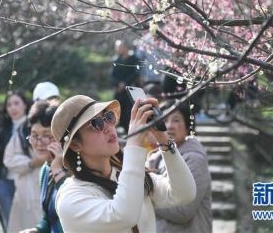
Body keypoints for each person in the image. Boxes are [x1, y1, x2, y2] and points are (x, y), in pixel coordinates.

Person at [51, 95, 196, 232]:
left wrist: (163, 139)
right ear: (75, 145)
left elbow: (184, 193)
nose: (108, 127)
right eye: (96, 123)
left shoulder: (125, 175)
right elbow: (124, 215)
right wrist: (134, 144)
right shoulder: (70, 198)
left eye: (108, 117)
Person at [146, 100, 212, 233]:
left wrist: (145, 200)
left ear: (188, 126)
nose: (169, 126)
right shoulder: (155, 156)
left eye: (176, 120)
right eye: (165, 120)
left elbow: (183, 211)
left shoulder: (194, 159)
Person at [20, 101, 67, 233]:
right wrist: (37, 230)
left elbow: (72, 209)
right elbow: (49, 217)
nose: (39, 142)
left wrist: (58, 169)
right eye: (34, 135)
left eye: (47, 135)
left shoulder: (74, 169)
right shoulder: (45, 170)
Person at [0, 91, 29, 231]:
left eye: (16, 103)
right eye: (9, 104)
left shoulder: (32, 128)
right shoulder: (3, 130)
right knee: (11, 226)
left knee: (30, 223)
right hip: (5, 183)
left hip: (27, 180)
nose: (13, 107)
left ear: (25, 105)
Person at [4, 101, 46, 233]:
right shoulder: (23, 130)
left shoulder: (61, 125)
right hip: (26, 191)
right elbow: (9, 159)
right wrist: (31, 163)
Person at [111, 40, 140, 132]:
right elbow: (113, 76)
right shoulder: (116, 60)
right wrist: (118, 84)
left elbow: (135, 74)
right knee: (118, 110)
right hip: (119, 91)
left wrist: (125, 83)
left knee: (130, 111)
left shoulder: (134, 59)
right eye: (117, 47)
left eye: (120, 47)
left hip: (130, 90)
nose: (118, 49)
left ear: (126, 47)